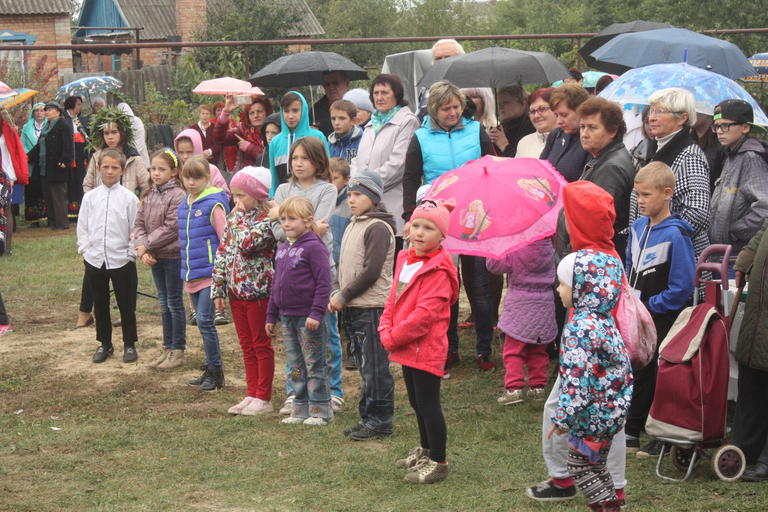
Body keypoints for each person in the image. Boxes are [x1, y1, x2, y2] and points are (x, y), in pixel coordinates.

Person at [527, 182, 628, 507]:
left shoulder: (581, 263)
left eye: (569, 214)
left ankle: (582, 484)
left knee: (563, 412)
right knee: (604, 426)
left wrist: (567, 413)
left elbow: (579, 381)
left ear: (579, 219)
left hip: (588, 362)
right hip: (610, 363)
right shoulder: (609, 257)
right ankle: (587, 482)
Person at [402, 80, 497, 371]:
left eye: (456, 107)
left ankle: (484, 349)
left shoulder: (475, 130)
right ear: (434, 110)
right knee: (445, 285)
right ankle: (449, 347)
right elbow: (411, 177)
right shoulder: (420, 137)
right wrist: (410, 216)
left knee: (478, 285)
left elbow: (491, 166)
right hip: (440, 217)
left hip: (475, 215)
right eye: (446, 109)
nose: (452, 113)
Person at [380, 199, 459, 484]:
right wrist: (385, 327)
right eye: (416, 225)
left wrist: (391, 336)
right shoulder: (405, 258)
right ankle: (425, 450)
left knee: (428, 403)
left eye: (429, 228)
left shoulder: (439, 271)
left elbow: (424, 317)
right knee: (415, 400)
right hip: (403, 344)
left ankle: (439, 462)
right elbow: (393, 298)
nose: (420, 232)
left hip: (425, 347)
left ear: (442, 236)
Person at [551, 244, 632, 512]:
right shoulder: (604, 320)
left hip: (592, 415)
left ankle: (605, 506)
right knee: (595, 464)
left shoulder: (579, 328)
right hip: (611, 412)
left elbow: (576, 380)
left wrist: (562, 418)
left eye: (563, 284)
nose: (558, 290)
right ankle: (611, 503)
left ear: (581, 288)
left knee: (578, 465)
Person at [624, 162, 696, 457]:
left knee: (655, 373)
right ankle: (630, 428)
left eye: (646, 195)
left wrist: (652, 306)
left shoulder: (677, 235)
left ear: (667, 194)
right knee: (634, 368)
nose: (640, 201)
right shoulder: (638, 227)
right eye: (637, 194)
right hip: (636, 313)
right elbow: (630, 267)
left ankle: (646, 432)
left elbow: (682, 285)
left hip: (661, 317)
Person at [269, 137, 343, 413]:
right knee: (292, 338)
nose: (298, 163)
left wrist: (281, 217)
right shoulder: (283, 189)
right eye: (295, 158)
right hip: (290, 273)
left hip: (320, 269)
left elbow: (318, 226)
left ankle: (332, 389)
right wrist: (291, 225)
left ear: (318, 161)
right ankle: (295, 392)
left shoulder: (326, 190)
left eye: (305, 158)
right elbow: (277, 232)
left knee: (327, 331)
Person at [329, 169, 396, 440]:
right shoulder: (355, 223)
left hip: (371, 307)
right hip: (355, 306)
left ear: (373, 196)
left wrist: (344, 295)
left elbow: (370, 272)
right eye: (350, 195)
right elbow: (345, 264)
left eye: (358, 195)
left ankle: (381, 419)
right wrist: (337, 288)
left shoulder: (378, 227)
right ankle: (367, 416)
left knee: (375, 366)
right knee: (364, 364)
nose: (352, 200)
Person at [77, 107, 150, 329]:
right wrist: (95, 202)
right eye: (106, 133)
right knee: (93, 266)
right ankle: (86, 312)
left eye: (114, 133)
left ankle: (128, 310)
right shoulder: (96, 157)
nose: (110, 137)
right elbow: (88, 184)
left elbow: (147, 186)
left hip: (128, 217)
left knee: (127, 268)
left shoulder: (134, 159)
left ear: (122, 134)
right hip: (101, 217)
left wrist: (138, 203)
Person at [212, 166, 277, 416]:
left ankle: (264, 396)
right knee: (246, 344)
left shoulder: (267, 219)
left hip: (259, 291)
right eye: (234, 195)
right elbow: (222, 252)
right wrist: (218, 286)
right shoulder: (233, 218)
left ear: (257, 194)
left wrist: (236, 222)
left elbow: (247, 243)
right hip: (235, 291)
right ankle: (251, 393)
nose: (236, 201)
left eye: (241, 195)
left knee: (261, 344)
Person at [266, 196, 333, 425]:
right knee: (295, 364)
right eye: (283, 218)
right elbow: (277, 283)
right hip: (287, 316)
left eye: (292, 219)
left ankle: (320, 409)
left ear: (308, 220)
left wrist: (316, 312)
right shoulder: (283, 248)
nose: (286, 223)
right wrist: (271, 315)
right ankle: (300, 406)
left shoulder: (315, 247)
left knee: (314, 362)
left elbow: (324, 283)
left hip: (308, 317)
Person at [628, 88, 711, 258]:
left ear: (682, 118)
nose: (651, 117)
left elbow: (698, 213)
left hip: (676, 260)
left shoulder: (690, 156)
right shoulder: (653, 149)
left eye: (660, 111)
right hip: (649, 255)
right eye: (651, 111)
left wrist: (659, 238)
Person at [77, 148, 139, 364]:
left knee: (126, 303)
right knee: (100, 302)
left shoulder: (130, 199)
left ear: (122, 170)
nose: (110, 171)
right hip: (95, 259)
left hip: (121, 259)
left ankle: (129, 343)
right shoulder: (91, 198)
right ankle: (105, 343)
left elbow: (135, 228)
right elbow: (82, 226)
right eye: (106, 167)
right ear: (98, 168)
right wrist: (85, 249)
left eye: (114, 168)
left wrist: (130, 253)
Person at [132, 148, 187, 370]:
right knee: (163, 303)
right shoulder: (147, 194)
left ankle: (178, 349)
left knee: (174, 302)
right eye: (153, 168)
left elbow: (171, 227)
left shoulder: (179, 195)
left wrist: (148, 244)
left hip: (173, 256)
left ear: (173, 172)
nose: (156, 173)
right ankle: (167, 347)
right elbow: (139, 224)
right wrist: (142, 249)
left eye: (161, 169)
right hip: (155, 256)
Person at [178, 155, 230, 391]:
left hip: (210, 274)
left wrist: (221, 274)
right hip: (191, 273)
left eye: (197, 177)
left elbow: (225, 240)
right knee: (200, 322)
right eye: (187, 177)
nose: (191, 182)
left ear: (207, 178)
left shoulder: (213, 204)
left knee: (206, 322)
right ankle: (209, 366)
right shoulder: (184, 205)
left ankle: (216, 372)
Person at [351, 74, 420, 245]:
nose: (379, 97)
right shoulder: (370, 124)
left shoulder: (407, 121)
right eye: (376, 93)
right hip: (366, 208)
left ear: (396, 94)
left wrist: (366, 188)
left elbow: (397, 165)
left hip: (392, 206)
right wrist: (356, 183)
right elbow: (358, 161)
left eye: (385, 93)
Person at [486, 239, 557, 405]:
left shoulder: (516, 248)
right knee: (538, 350)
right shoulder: (549, 248)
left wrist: (496, 246)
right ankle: (538, 387)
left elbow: (494, 266)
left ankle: (514, 388)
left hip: (520, 305)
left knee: (513, 350)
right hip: (544, 305)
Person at [573, 97, 636, 258]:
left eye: (592, 128)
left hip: (597, 258)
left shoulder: (611, 167)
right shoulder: (603, 158)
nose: (585, 134)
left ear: (613, 131)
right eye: (582, 127)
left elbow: (599, 222)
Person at [709, 99, 768, 257]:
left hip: (738, 255)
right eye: (716, 126)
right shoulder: (730, 155)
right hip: (722, 253)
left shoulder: (751, 157)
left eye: (726, 125)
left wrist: (734, 233)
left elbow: (764, 208)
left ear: (745, 127)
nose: (720, 131)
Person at [733, 218, 768, 481]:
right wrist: (747, 257)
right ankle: (745, 450)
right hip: (758, 315)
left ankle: (765, 459)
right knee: (751, 379)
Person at [268, 91, 327, 195]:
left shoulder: (317, 136)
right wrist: (273, 196)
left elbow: (326, 170)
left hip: (313, 196)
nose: (290, 116)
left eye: (295, 110)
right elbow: (273, 176)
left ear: (303, 110)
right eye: (286, 111)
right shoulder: (275, 142)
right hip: (284, 200)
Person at [27, 102, 73, 231]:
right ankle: (52, 222)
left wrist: (65, 160)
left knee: (58, 195)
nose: (46, 111)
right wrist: (27, 156)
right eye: (46, 109)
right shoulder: (46, 126)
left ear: (58, 112)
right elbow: (39, 145)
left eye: (50, 109)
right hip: (45, 166)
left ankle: (62, 223)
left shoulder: (63, 125)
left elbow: (68, 145)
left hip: (58, 166)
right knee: (48, 195)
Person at [540, 84, 591, 182]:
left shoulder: (591, 139)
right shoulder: (555, 135)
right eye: (556, 115)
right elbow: (541, 167)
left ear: (581, 110)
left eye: (564, 115)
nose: (559, 121)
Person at [213, 95, 272, 173]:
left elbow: (270, 158)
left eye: (259, 111)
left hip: (268, 177)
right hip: (246, 177)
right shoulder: (242, 130)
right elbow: (219, 139)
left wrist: (249, 147)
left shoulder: (275, 130)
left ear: (266, 112)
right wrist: (226, 112)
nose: (256, 115)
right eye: (251, 113)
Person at [0, 111, 29, 256]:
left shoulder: (9, 130)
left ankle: (7, 248)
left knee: (7, 210)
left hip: (5, 176)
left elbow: (17, 152)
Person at [489, 85, 535, 157]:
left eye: (505, 103)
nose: (501, 107)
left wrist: (503, 144)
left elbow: (523, 161)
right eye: (499, 103)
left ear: (522, 103)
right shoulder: (504, 126)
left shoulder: (530, 127)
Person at [64, 96, 89, 222]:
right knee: (71, 181)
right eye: (78, 104)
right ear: (71, 105)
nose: (80, 107)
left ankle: (81, 211)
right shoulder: (64, 119)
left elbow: (87, 136)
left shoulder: (81, 120)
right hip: (69, 153)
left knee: (80, 181)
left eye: (81, 104)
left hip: (80, 154)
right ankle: (71, 212)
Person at [20, 103, 46, 227]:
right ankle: (33, 219)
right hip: (30, 162)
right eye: (37, 110)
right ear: (33, 113)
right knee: (31, 190)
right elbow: (22, 144)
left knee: (44, 189)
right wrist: (28, 155)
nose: (39, 113)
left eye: (42, 110)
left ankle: (46, 216)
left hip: (44, 162)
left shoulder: (49, 126)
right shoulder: (26, 127)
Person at [516, 87, 556, 158]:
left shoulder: (566, 141)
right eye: (532, 111)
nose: (536, 115)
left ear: (556, 109)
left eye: (542, 109)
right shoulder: (524, 143)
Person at [690, 113, 723, 191]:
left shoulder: (721, 144)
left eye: (696, 109)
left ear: (709, 114)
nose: (691, 112)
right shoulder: (687, 140)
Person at [329, 157, 352, 268]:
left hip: (344, 265)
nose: (330, 183)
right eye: (326, 178)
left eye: (335, 179)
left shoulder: (351, 205)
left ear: (347, 179)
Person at [313, 71, 351, 136]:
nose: (331, 87)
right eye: (327, 84)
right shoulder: (315, 110)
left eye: (335, 83)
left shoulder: (357, 106)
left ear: (346, 83)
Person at [116, 102, 149, 167]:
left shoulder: (137, 122)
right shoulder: (118, 124)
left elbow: (138, 143)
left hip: (139, 159)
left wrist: (127, 157)